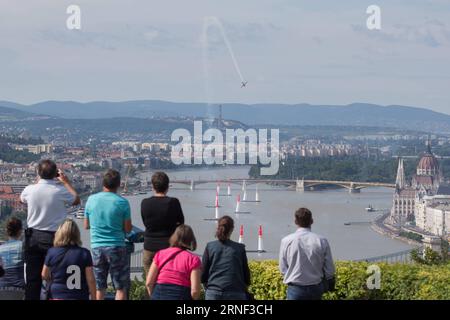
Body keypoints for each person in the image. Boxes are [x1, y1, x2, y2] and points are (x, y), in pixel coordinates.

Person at [20, 159, 80, 300]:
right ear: (55, 174)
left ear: (38, 173)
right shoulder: (60, 190)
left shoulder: (29, 190)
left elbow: (22, 199)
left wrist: (38, 181)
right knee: (56, 278)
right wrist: (65, 181)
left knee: (32, 280)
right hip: (56, 239)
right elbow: (76, 199)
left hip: (33, 238)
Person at [84, 169, 132, 300]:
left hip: (97, 248)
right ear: (118, 184)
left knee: (100, 287)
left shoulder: (91, 200)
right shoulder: (122, 202)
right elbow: (128, 229)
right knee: (120, 287)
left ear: (103, 183)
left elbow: (86, 225)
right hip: (117, 246)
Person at [279, 208, 335, 300]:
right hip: (316, 287)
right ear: (312, 221)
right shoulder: (322, 241)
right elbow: (330, 269)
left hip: (295, 287)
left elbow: (282, 268)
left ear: (295, 221)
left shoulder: (286, 241)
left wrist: (291, 276)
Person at [141, 171, 184, 274]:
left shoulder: (145, 203)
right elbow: (181, 223)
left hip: (149, 247)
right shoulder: (173, 202)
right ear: (167, 186)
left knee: (150, 282)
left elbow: (145, 222)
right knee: (169, 280)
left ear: (152, 186)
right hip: (168, 247)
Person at [42, 219, 96, 300]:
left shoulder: (52, 252)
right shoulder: (85, 253)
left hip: (57, 296)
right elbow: (91, 279)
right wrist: (94, 297)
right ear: (77, 234)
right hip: (79, 296)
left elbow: (44, 275)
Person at [145, 224, 201, 300]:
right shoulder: (193, 259)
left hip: (159, 293)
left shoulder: (160, 254)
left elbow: (149, 283)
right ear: (191, 239)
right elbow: (195, 291)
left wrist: (153, 296)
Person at [201, 216, 251, 300]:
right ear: (232, 229)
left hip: (213, 292)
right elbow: (246, 275)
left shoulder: (210, 246)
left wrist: (208, 287)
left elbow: (203, 273)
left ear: (218, 227)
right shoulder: (240, 248)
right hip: (236, 292)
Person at [0, 217, 25, 298]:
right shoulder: (23, 247)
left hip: (2, 288)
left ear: (7, 231)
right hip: (19, 289)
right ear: (20, 231)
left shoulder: (1, 248)